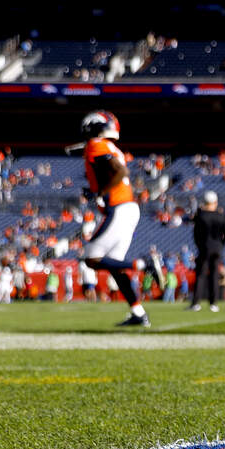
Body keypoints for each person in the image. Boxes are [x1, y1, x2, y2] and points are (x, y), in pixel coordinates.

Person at [77, 110, 164, 327]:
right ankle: (138, 313)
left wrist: (100, 192)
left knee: (91, 258)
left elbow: (120, 172)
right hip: (127, 207)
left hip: (119, 207)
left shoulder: (96, 144)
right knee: (115, 266)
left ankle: (143, 264)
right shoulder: (110, 147)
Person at [191, 190, 225, 312]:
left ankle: (196, 303)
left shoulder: (201, 216)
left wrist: (200, 246)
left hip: (204, 248)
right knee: (214, 275)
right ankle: (213, 303)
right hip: (217, 248)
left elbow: (196, 234)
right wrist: (220, 246)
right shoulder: (220, 216)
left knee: (200, 275)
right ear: (215, 202)